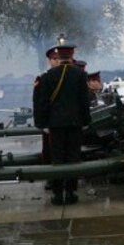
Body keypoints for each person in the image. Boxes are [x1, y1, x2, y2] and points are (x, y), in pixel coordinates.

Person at [33, 44, 91, 205]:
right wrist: (86, 121)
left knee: (57, 158)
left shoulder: (48, 76)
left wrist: (42, 123)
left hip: (55, 123)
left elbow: (43, 102)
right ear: (72, 57)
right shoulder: (80, 75)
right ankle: (71, 192)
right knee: (73, 157)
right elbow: (83, 102)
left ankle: (57, 194)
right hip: (74, 123)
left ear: (58, 57)